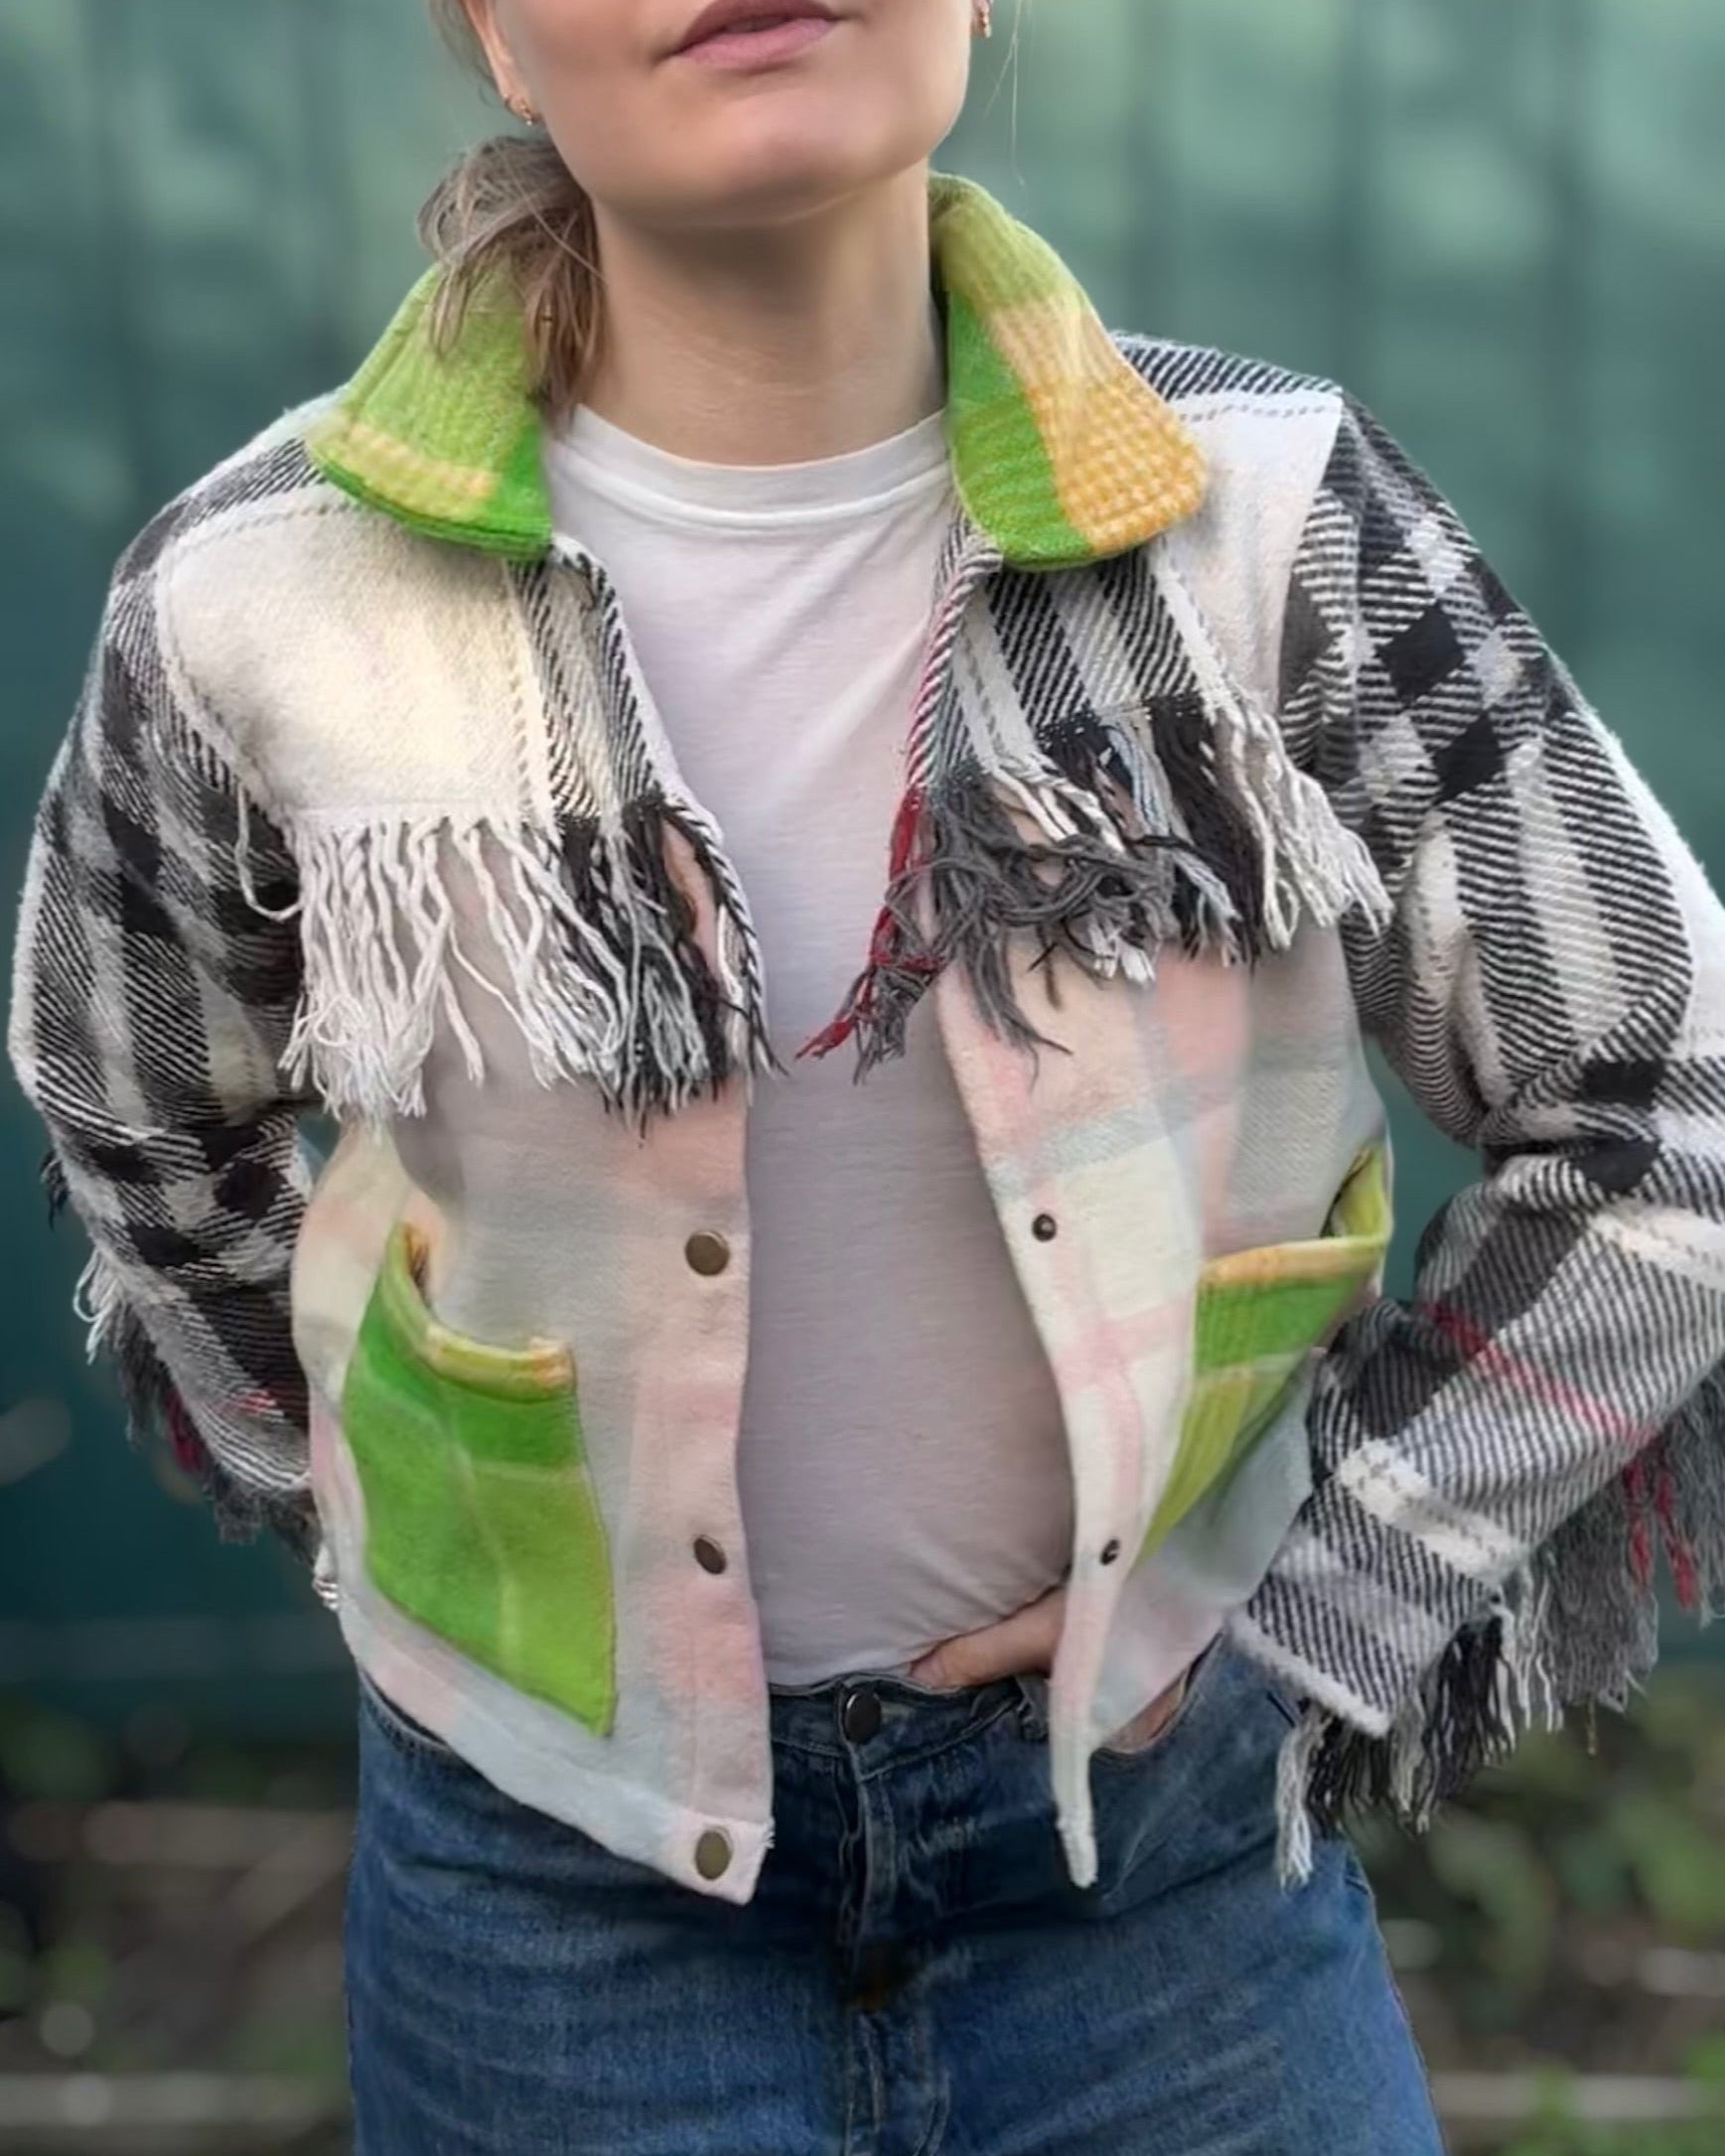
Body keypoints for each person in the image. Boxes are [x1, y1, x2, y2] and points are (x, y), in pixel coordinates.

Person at [12, 1, 1725, 2148]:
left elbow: (1671, 1114)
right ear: (498, 39)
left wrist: (1314, 1612)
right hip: (547, 1908)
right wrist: (413, 1534)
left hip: (1158, 1875)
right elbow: (134, 1103)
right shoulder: (260, 590)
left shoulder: (1266, 515)